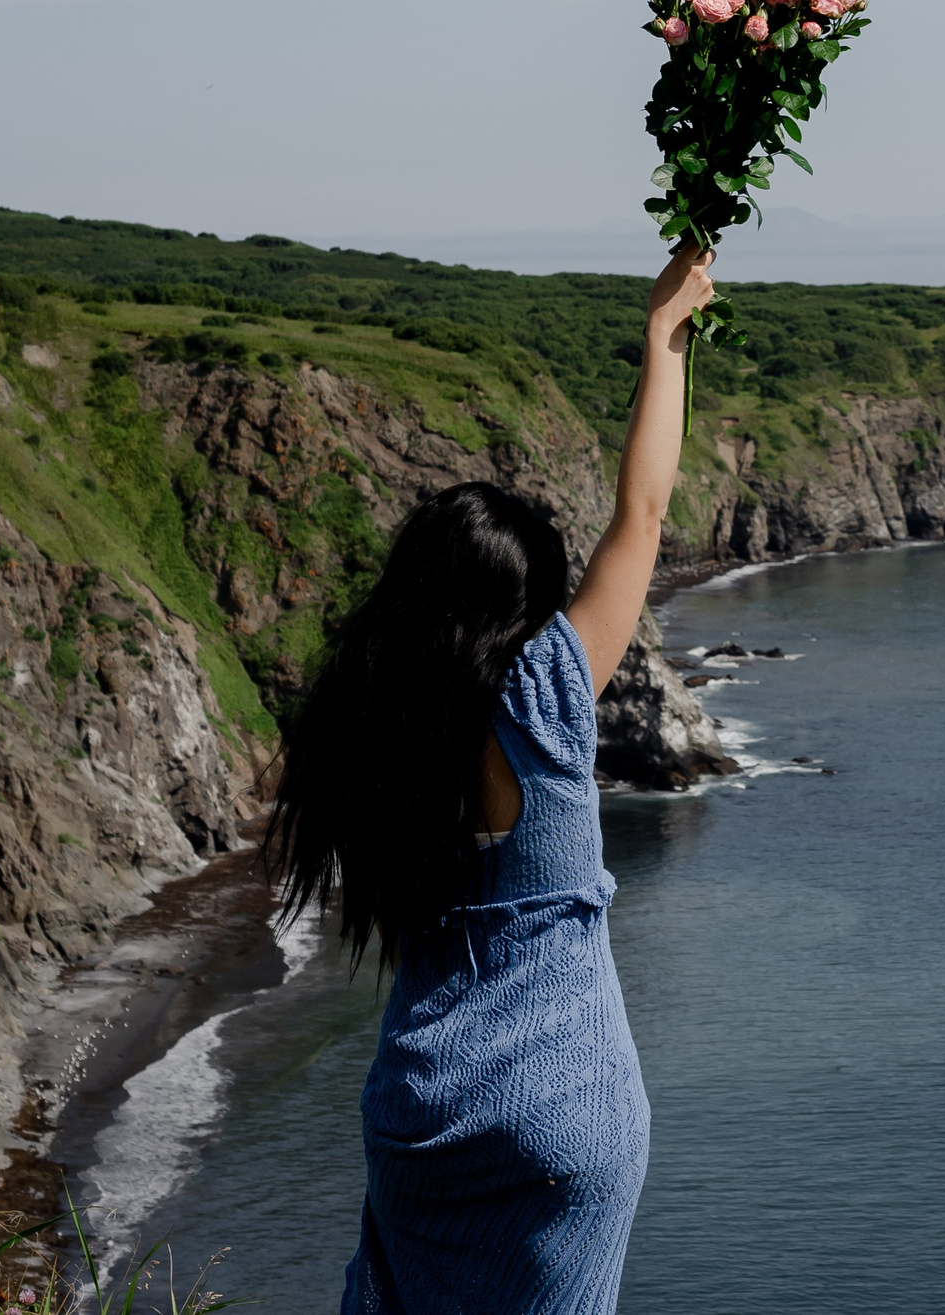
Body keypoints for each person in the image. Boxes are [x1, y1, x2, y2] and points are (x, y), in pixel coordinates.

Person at [265, 244, 720, 1315]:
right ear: (528, 610)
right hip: (564, 1107)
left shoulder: (366, 726)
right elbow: (643, 518)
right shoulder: (542, 699)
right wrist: (666, 334)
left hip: (423, 1103)